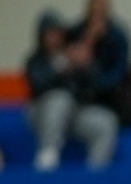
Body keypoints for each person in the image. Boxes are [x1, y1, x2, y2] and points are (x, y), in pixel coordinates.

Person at [23, 12, 118, 172]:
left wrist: (87, 66)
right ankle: (48, 154)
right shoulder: (35, 60)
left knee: (106, 120)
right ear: (41, 36)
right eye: (50, 33)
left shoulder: (75, 56)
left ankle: (96, 170)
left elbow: (96, 88)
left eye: (57, 33)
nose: (54, 38)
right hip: (42, 114)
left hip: (72, 115)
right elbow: (39, 84)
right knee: (60, 98)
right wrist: (63, 64)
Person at [66, 0, 130, 117]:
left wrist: (91, 68)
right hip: (76, 95)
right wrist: (88, 41)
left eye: (100, 13)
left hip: (108, 97)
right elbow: (66, 64)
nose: (96, 18)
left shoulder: (118, 37)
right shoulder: (75, 32)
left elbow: (117, 75)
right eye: (93, 13)